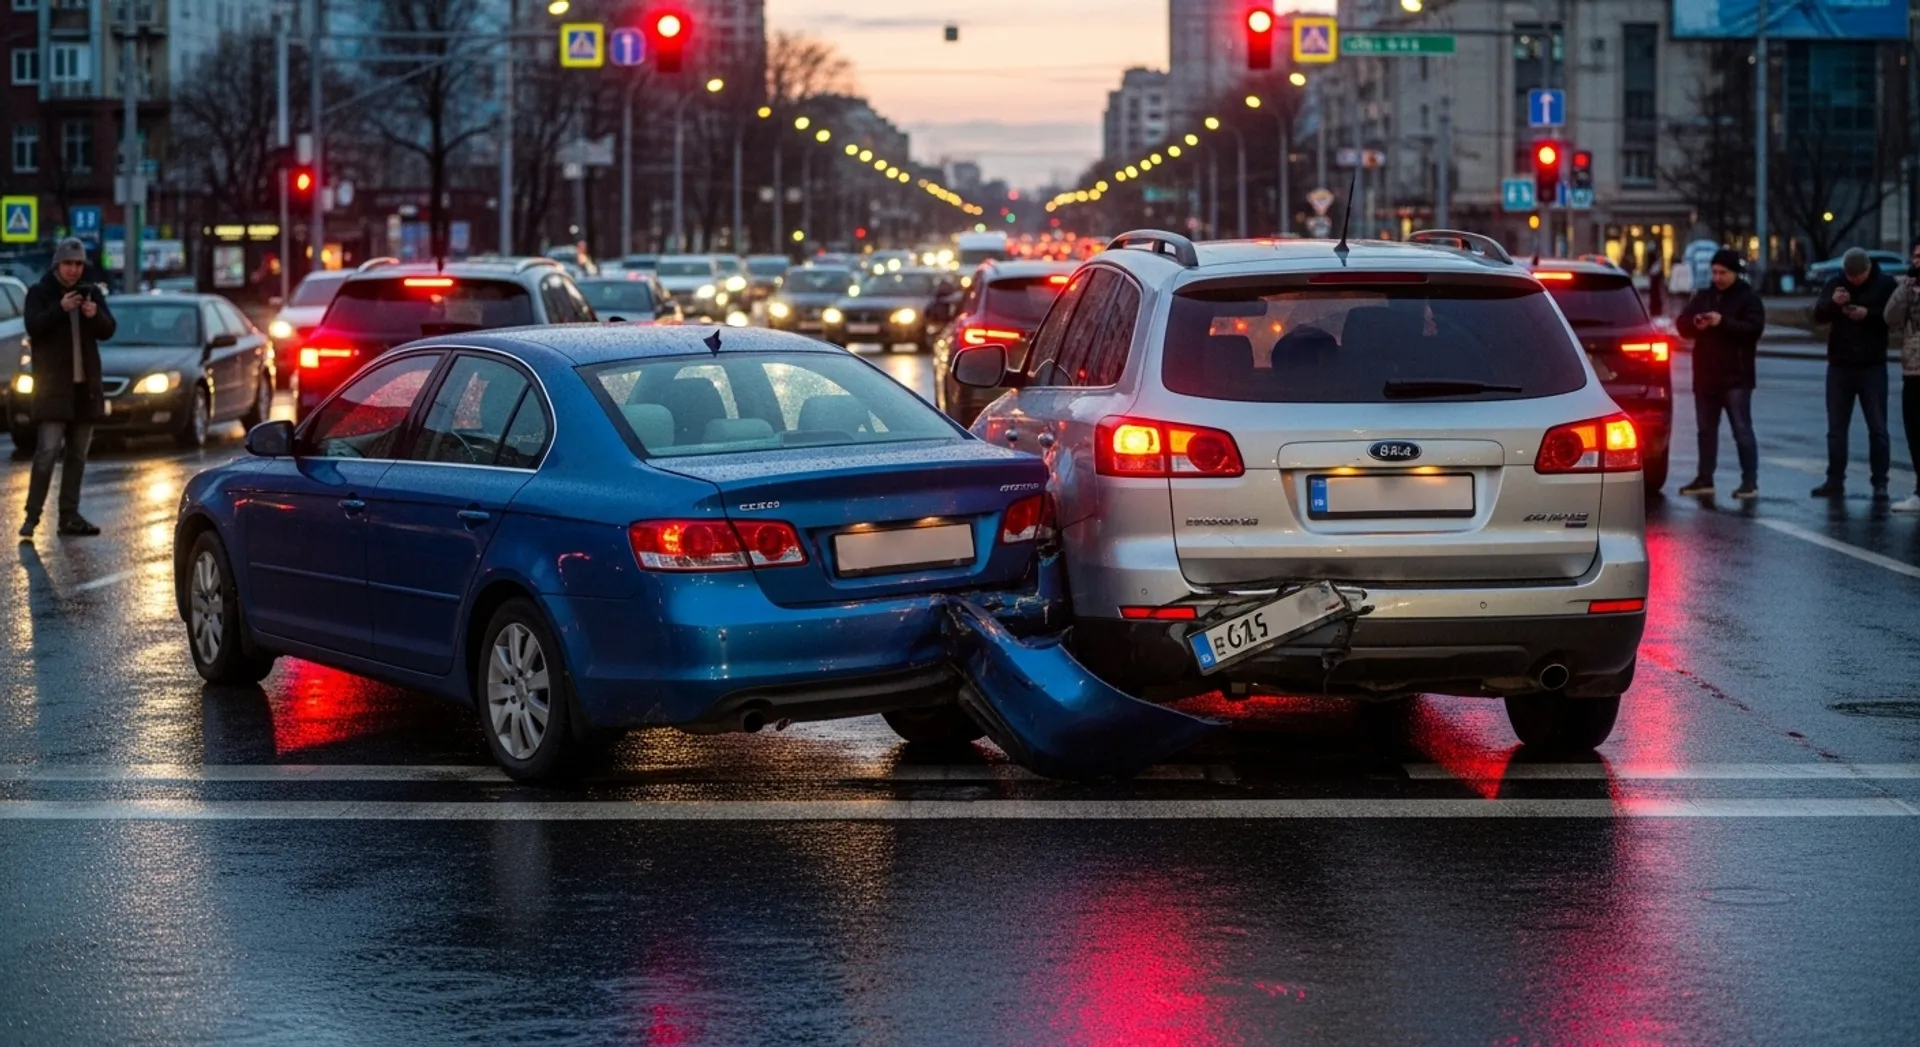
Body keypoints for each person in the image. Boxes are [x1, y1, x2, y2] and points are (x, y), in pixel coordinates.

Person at [19, 238, 114, 539]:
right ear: (57, 265)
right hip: (53, 390)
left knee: (77, 456)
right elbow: (34, 326)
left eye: (78, 264)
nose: (74, 270)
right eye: (68, 264)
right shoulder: (40, 293)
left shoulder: (91, 292)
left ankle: (69, 516)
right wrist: (60, 309)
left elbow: (109, 329)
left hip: (85, 390)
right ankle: (32, 516)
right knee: (47, 452)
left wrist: (94, 314)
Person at [1676, 249, 1767, 499]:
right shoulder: (1704, 296)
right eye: (1714, 272)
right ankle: (1705, 478)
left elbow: (1753, 329)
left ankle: (1749, 481)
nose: (1717, 277)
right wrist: (1696, 323)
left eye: (1723, 273)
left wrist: (1722, 322)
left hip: (1736, 377)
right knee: (1705, 431)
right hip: (1706, 376)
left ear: (1734, 273)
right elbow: (1682, 324)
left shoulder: (1748, 298)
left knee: (1741, 429)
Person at [1811, 247, 1898, 499]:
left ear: (1868, 269)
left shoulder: (1885, 284)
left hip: (1872, 364)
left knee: (1877, 427)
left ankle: (1880, 482)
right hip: (1840, 364)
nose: (1854, 280)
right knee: (1836, 429)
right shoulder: (1835, 283)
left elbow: (1893, 318)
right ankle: (1834, 480)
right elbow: (1818, 315)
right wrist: (1834, 304)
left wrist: (1867, 314)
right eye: (1850, 276)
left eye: (1858, 276)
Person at [1883, 239, 1920, 512]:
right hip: (1913, 370)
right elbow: (1890, 317)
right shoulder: (1908, 288)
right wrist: (1904, 291)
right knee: (1915, 433)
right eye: (1916, 256)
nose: (1918, 261)